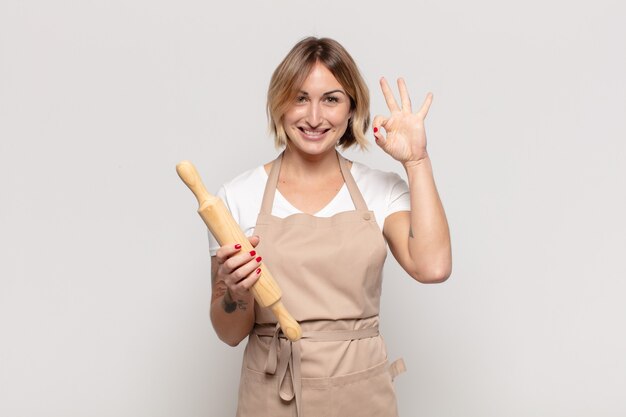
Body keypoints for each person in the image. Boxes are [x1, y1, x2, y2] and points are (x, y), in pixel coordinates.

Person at [207, 37, 451, 416]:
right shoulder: (236, 197)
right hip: (271, 396)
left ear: (352, 107)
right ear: (279, 103)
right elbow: (229, 332)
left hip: (360, 393)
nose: (315, 117)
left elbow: (432, 267)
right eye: (300, 97)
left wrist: (417, 162)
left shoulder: (380, 190)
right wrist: (234, 291)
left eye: (331, 99)